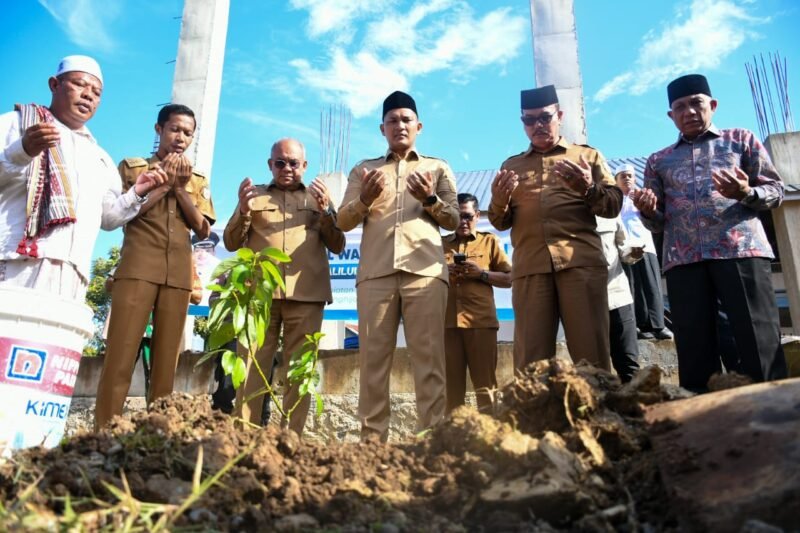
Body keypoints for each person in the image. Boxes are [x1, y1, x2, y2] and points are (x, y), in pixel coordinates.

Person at [633, 73, 788, 391]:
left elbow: (777, 191)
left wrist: (746, 192)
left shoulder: (740, 140)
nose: (689, 111)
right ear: (670, 115)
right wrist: (648, 211)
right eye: (680, 107)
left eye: (696, 103)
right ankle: (703, 425)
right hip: (683, 262)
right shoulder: (658, 161)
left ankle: (778, 418)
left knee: (758, 341)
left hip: (741, 252)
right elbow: (658, 222)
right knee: (694, 348)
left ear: (712, 105)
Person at [337, 91, 459, 442]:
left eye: (406, 119)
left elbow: (452, 219)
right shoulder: (364, 169)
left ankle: (433, 441)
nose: (399, 125)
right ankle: (373, 444)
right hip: (376, 276)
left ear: (418, 126)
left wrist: (430, 200)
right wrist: (364, 199)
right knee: (373, 363)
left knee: (430, 362)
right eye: (392, 120)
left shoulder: (437, 168)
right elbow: (343, 221)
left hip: (426, 275)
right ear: (382, 128)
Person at [0, 55, 166, 302]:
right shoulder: (16, 125)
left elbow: (109, 219)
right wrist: (23, 150)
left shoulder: (99, 158)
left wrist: (137, 193)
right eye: (79, 84)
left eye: (96, 92)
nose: (88, 95)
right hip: (17, 262)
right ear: (55, 85)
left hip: (72, 273)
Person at [95, 103, 216, 428]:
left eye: (188, 133)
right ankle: (104, 434)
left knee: (166, 365)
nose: (181, 138)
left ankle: (157, 434)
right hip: (136, 267)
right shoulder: (134, 169)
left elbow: (203, 229)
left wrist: (180, 188)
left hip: (177, 275)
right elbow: (125, 213)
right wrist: (162, 185)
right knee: (119, 358)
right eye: (175, 129)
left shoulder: (196, 179)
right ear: (158, 129)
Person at [488, 85, 622, 372]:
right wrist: (499, 201)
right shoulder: (511, 166)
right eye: (529, 119)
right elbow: (500, 222)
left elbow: (612, 206)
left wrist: (588, 189)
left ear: (559, 115)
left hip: (580, 265)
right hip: (531, 270)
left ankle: (598, 416)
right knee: (531, 362)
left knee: (592, 358)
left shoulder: (587, 157)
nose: (537, 125)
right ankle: (536, 417)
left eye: (544, 117)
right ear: (522, 123)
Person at [223, 138, 345, 435]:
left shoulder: (318, 198)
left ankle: (291, 442)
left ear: (305, 166)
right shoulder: (255, 197)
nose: (287, 168)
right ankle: (245, 441)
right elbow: (230, 242)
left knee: (299, 372)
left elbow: (338, 245)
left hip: (307, 296)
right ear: (270, 165)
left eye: (294, 163)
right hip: (259, 296)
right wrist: (242, 209)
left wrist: (327, 211)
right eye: (280, 162)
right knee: (251, 368)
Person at [442, 193, 511, 412]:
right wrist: (444, 272)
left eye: (467, 216)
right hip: (447, 325)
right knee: (451, 390)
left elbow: (510, 279)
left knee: (486, 387)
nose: (462, 221)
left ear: (477, 216)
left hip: (481, 324)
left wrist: (481, 274)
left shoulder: (489, 241)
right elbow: (424, 279)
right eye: (458, 217)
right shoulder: (440, 244)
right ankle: (453, 440)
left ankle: (489, 439)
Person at [615, 164, 673, 340]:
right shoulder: (614, 200)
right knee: (632, 287)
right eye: (623, 176)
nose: (627, 179)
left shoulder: (643, 196)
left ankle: (658, 326)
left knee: (651, 285)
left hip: (645, 246)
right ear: (616, 181)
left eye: (630, 176)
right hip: (625, 249)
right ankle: (638, 326)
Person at [596, 215, 642, 382]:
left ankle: (636, 406)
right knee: (596, 370)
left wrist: (635, 252)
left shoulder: (611, 212)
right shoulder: (569, 211)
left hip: (618, 296)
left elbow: (624, 249)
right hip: (587, 301)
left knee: (629, 365)